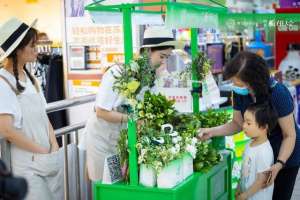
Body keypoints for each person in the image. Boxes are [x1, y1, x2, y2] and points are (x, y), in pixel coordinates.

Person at [198, 51, 300, 200]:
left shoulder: (278, 93)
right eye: (233, 82)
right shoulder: (240, 93)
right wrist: (211, 132)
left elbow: (289, 135)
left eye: (239, 83)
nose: (235, 86)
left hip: (285, 157)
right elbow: (237, 124)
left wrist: (279, 164)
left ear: (254, 80)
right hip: (260, 153)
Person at [85, 26, 181, 181]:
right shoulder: (117, 73)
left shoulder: (149, 77)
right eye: (162, 57)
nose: (163, 62)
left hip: (121, 136)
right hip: (102, 136)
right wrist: (133, 119)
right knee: (104, 182)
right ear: (148, 51)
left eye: (167, 58)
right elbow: (101, 112)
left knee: (118, 180)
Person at [0, 18, 63, 200]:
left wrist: (54, 146)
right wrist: (41, 151)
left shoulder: (31, 78)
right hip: (27, 164)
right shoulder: (3, 82)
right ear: (18, 50)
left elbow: (43, 116)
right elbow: (6, 130)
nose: (37, 49)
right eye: (32, 45)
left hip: (47, 159)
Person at [236, 103, 277, 200]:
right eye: (244, 121)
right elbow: (244, 170)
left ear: (263, 127)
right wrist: (239, 188)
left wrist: (245, 195)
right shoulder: (249, 144)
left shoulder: (264, 151)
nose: (244, 126)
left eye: (248, 123)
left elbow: (261, 180)